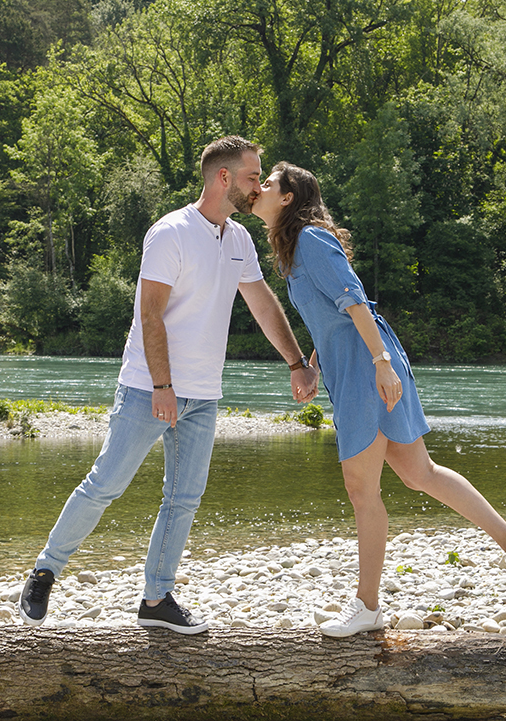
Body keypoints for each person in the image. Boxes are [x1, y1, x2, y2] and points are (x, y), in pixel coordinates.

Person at [19, 137, 319, 634]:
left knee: (183, 499)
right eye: (251, 177)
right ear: (223, 178)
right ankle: (45, 571)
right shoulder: (170, 232)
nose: (257, 186)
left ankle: (156, 599)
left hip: (204, 393)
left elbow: (263, 304)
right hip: (148, 386)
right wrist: (162, 384)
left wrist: (294, 363)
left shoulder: (239, 239)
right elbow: (150, 312)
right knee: (105, 485)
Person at [249, 161, 506, 638]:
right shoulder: (292, 249)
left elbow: (355, 300)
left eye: (267, 183)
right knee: (418, 473)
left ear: (287, 198)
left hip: (368, 368)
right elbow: (333, 316)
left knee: (361, 489)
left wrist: (381, 362)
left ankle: (367, 607)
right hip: (355, 364)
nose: (257, 189)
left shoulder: (309, 239)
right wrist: (315, 358)